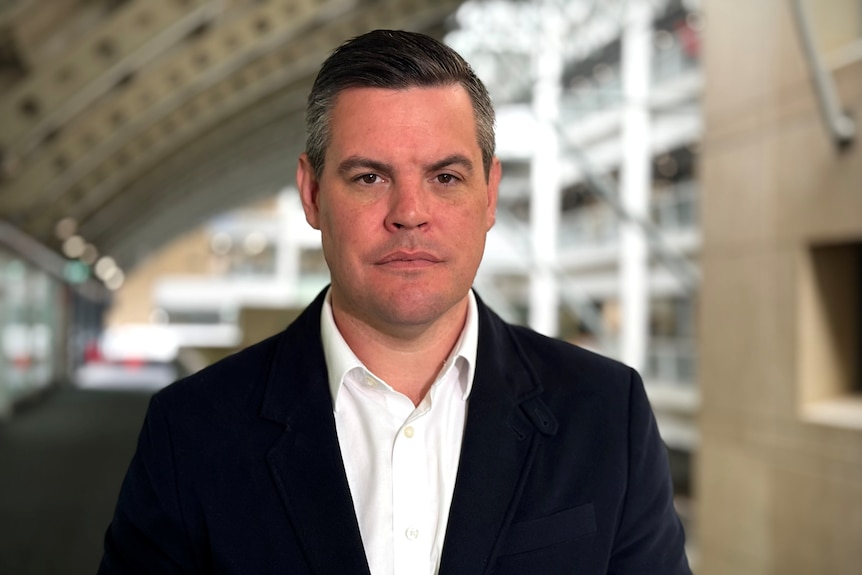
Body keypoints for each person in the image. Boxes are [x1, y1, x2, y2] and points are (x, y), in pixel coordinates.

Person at [98, 29, 690, 575]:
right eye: (369, 178)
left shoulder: (609, 415)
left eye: (446, 177)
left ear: (490, 196)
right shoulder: (192, 431)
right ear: (311, 194)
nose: (410, 212)